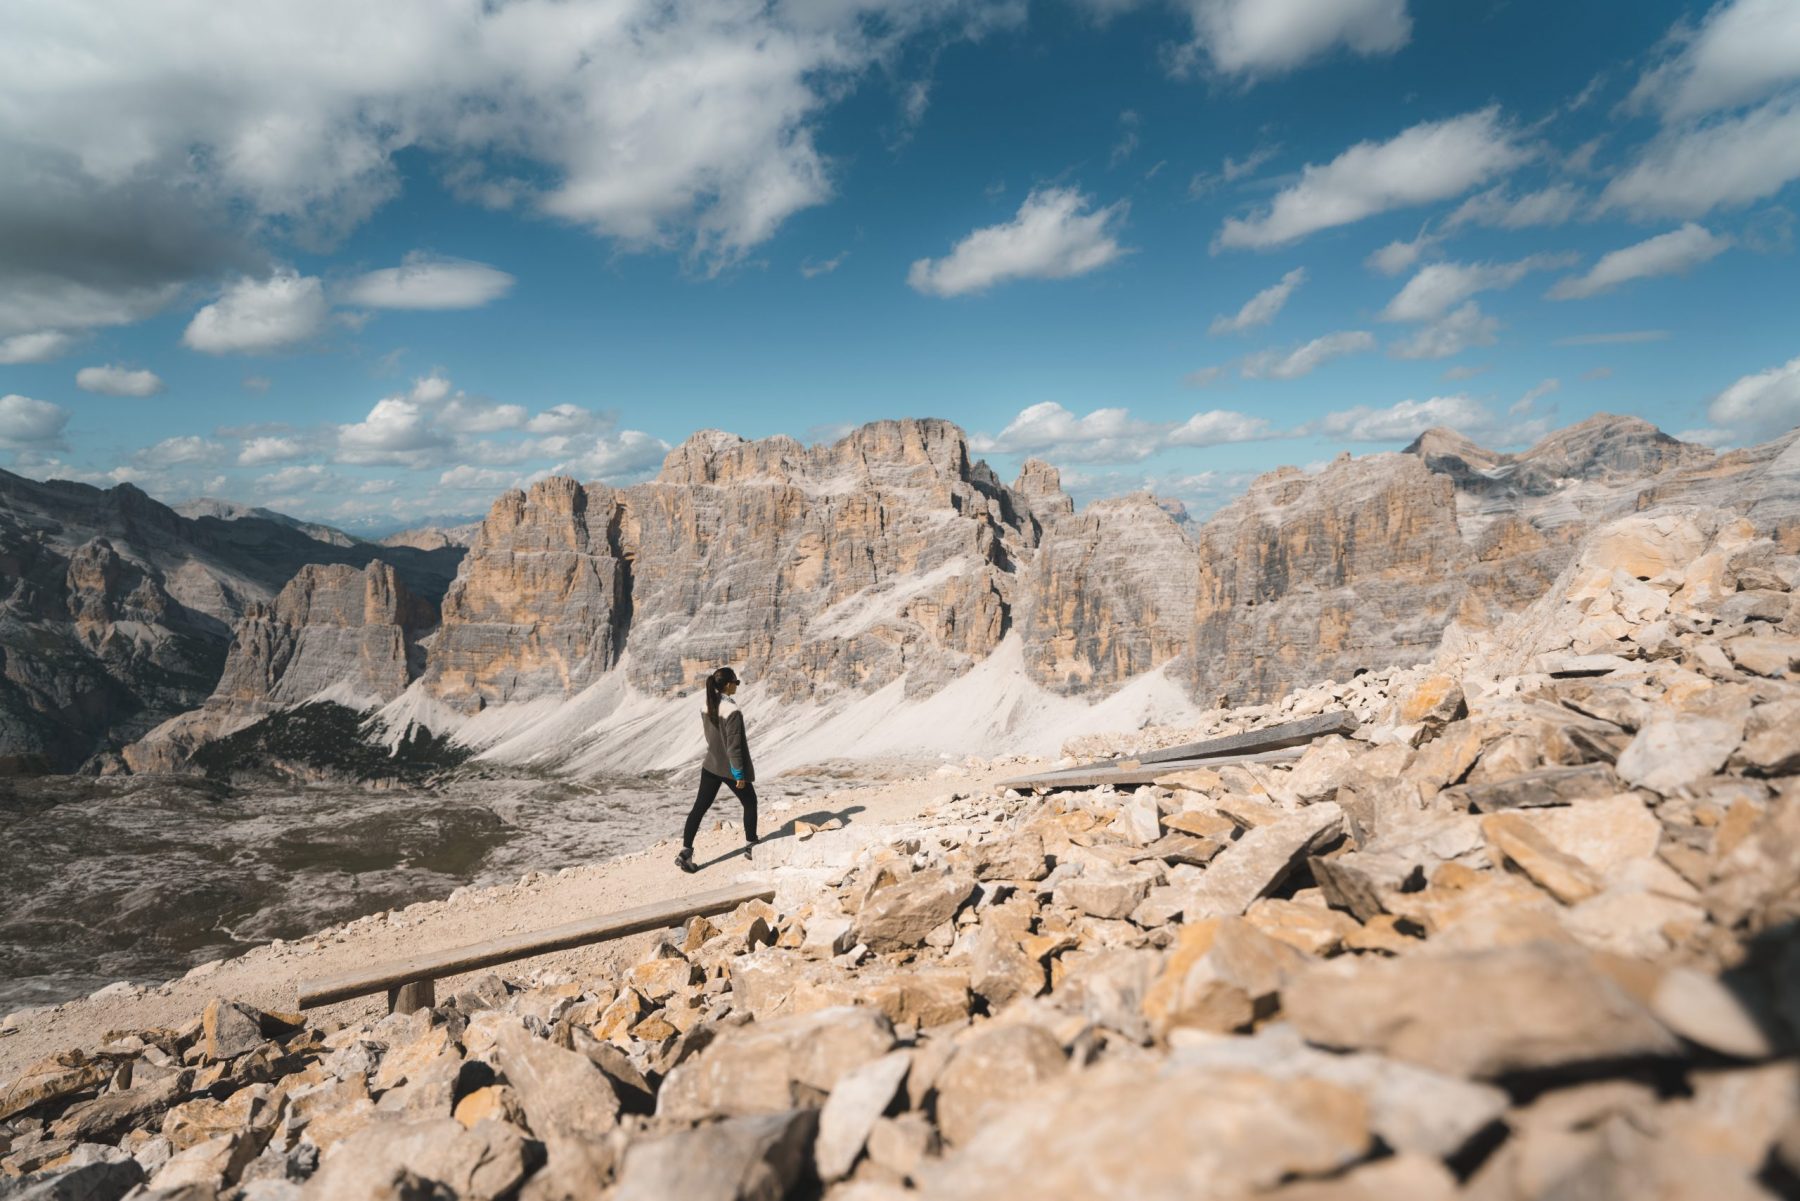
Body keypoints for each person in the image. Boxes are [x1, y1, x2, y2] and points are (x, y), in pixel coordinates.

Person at [675, 666, 759, 873]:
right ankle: (751, 846)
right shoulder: (733, 711)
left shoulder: (706, 704)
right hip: (729, 768)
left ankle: (685, 852)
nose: (737, 686)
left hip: (710, 765)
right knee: (750, 802)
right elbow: (734, 746)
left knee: (699, 808)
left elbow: (712, 736)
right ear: (728, 685)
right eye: (736, 683)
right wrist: (739, 774)